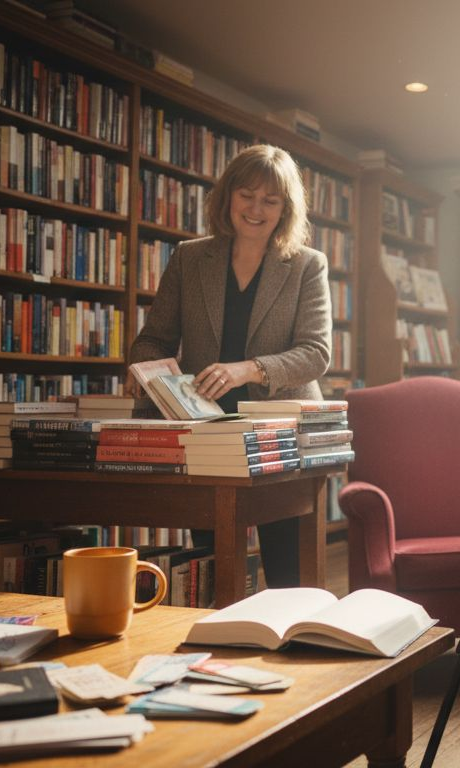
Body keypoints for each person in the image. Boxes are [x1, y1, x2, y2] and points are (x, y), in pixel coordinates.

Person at [129, 144, 331, 589]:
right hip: (206, 435)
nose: (256, 209)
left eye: (270, 200)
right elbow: (153, 339)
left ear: (286, 208)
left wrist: (248, 369)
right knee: (211, 567)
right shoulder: (189, 257)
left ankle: (287, 652)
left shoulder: (306, 266)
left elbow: (316, 352)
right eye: (247, 194)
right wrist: (148, 373)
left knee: (287, 575)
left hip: (281, 436)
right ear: (227, 196)